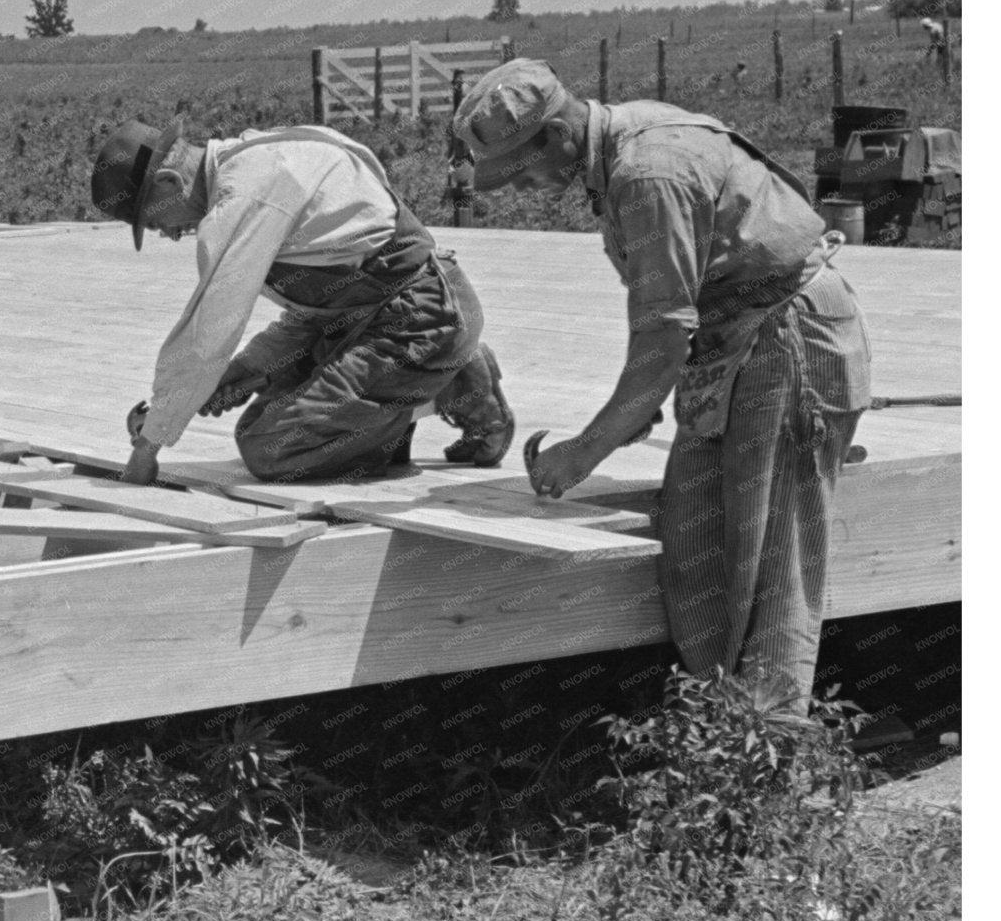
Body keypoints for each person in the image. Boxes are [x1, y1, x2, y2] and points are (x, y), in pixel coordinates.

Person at [451, 59, 872, 706]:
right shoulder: (617, 163)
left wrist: (582, 453)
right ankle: (715, 725)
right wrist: (631, 415)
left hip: (789, 343)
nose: (530, 187)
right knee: (695, 545)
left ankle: (770, 760)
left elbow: (662, 340)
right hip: (731, 347)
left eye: (527, 171)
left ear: (559, 136)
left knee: (770, 570)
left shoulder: (647, 173)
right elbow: (676, 320)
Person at [90, 117, 515, 487]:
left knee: (269, 449)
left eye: (154, 220)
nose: (167, 234)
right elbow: (319, 306)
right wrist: (241, 374)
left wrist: (150, 445)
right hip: (378, 313)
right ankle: (408, 399)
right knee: (255, 400)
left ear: (170, 183)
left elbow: (209, 331)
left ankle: (451, 386)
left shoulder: (244, 197)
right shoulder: (265, 149)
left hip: (419, 320)